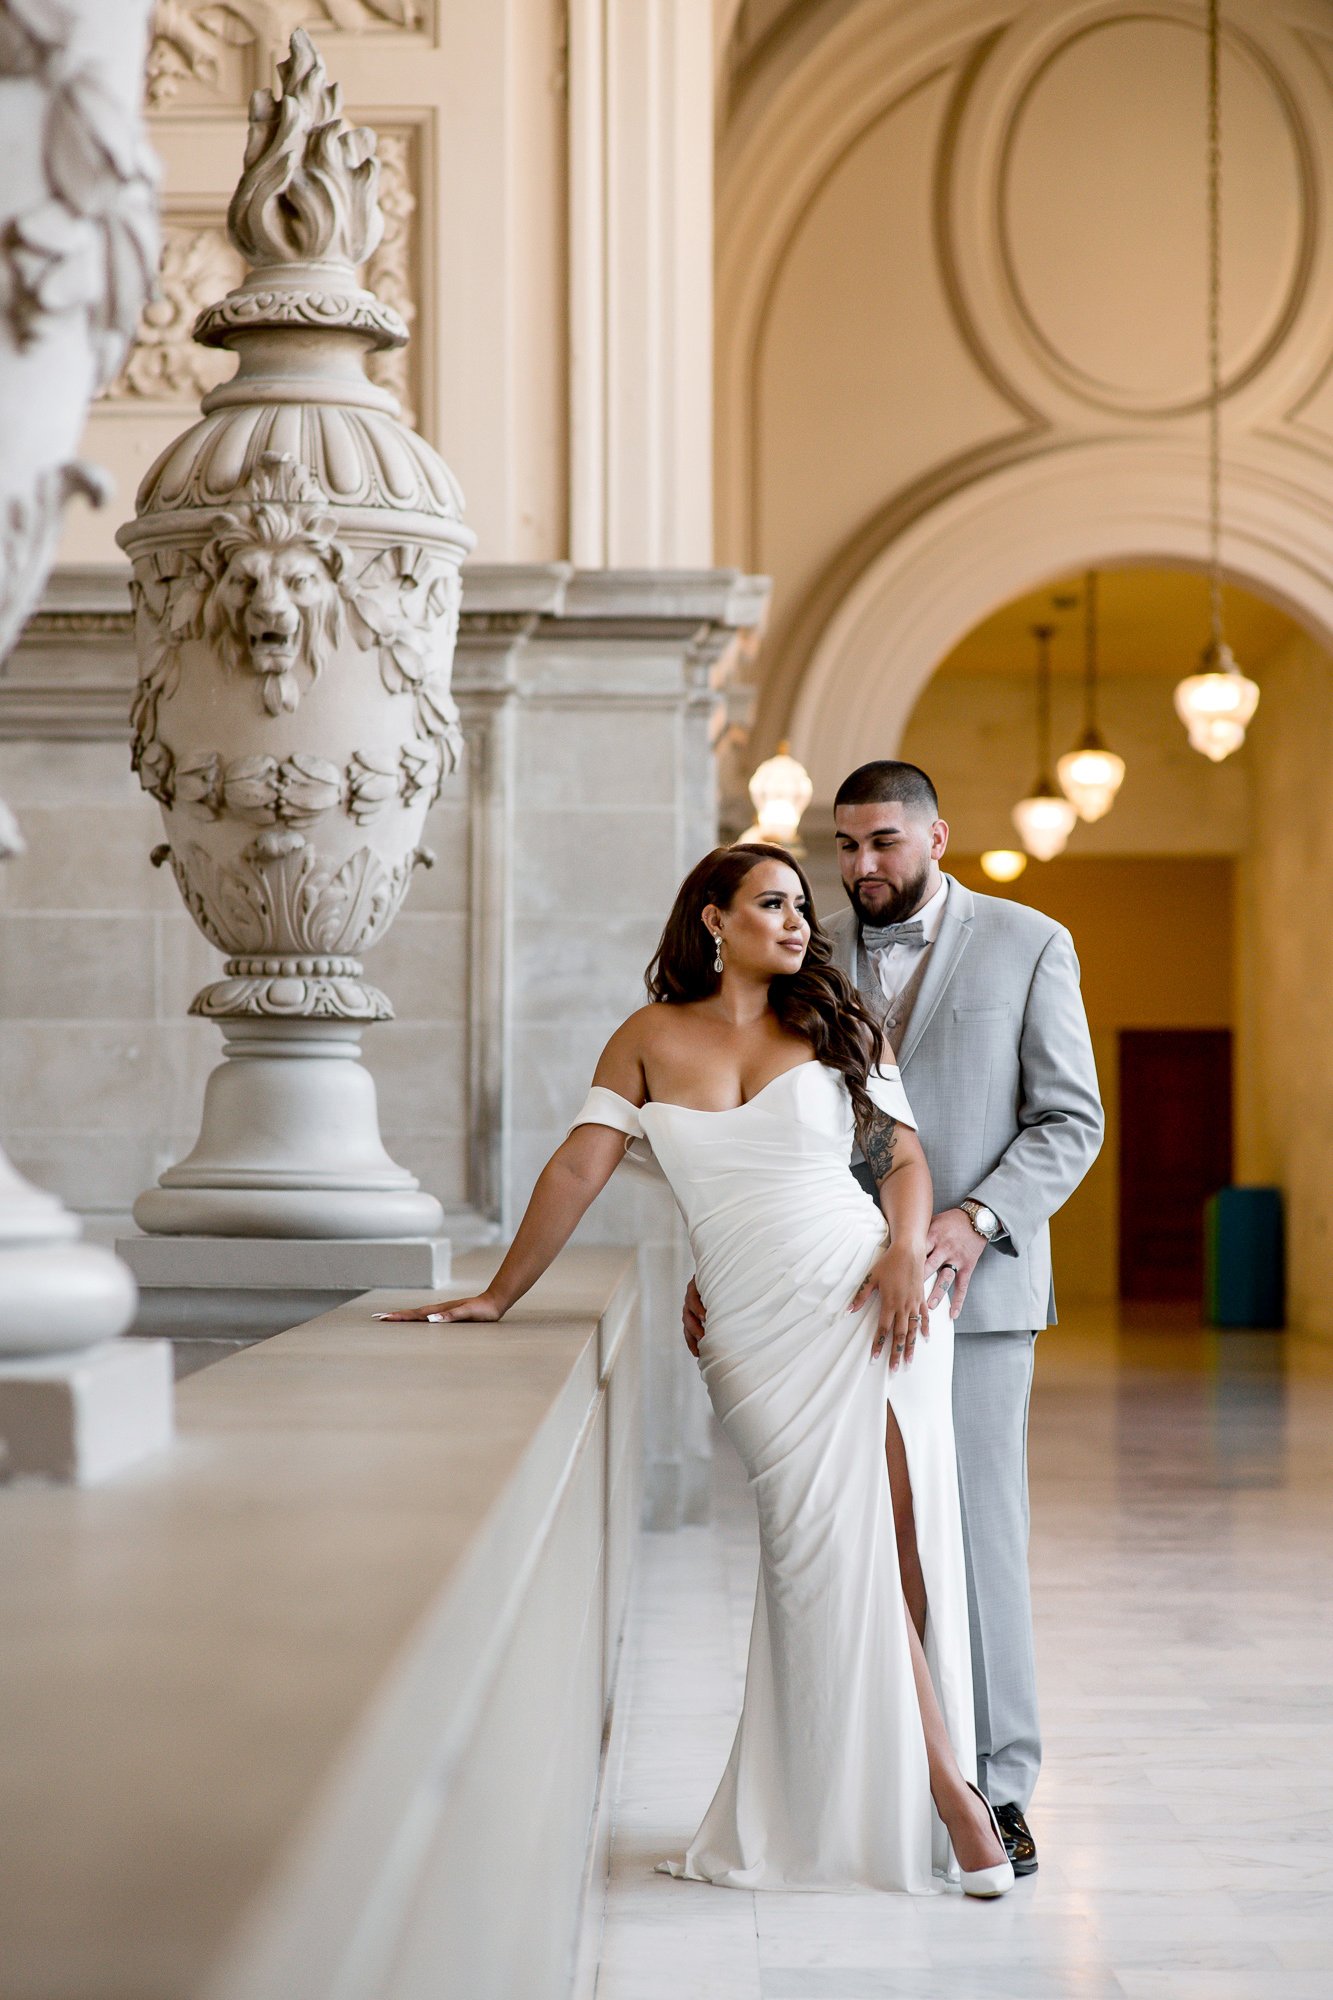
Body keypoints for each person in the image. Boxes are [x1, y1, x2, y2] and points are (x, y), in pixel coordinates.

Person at [379, 842, 1013, 1897]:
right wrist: (499, 1291)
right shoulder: (645, 1037)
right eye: (771, 903)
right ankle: (928, 1794)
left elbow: (902, 1156)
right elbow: (579, 1164)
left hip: (869, 1294)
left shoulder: (837, 1021)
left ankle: (948, 1792)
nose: (798, 920)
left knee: (895, 1545)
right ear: (711, 918)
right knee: (824, 1555)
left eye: (801, 905)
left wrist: (906, 1250)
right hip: (755, 1333)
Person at [686, 761, 1103, 1877]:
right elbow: (756, 1121)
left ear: (936, 835)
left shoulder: (1029, 941)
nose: (859, 866)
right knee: (846, 1538)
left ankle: (997, 1786)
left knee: (971, 1537)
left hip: (976, 1294)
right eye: (845, 845)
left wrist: (971, 1218)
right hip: (820, 1292)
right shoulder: (801, 954)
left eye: (882, 843)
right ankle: (882, 1777)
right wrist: (731, 1254)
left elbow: (1071, 1118)